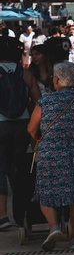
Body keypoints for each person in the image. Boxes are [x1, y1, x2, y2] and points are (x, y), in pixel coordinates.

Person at [28, 62, 74, 250]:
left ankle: (54, 227)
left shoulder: (46, 101)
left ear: (56, 80)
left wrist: (40, 138)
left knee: (46, 193)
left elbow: (31, 128)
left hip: (51, 152)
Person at [0, 37, 32, 232]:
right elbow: (38, 99)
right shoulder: (25, 73)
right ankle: (22, 213)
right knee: (18, 170)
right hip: (23, 125)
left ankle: (2, 216)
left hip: (0, 124)